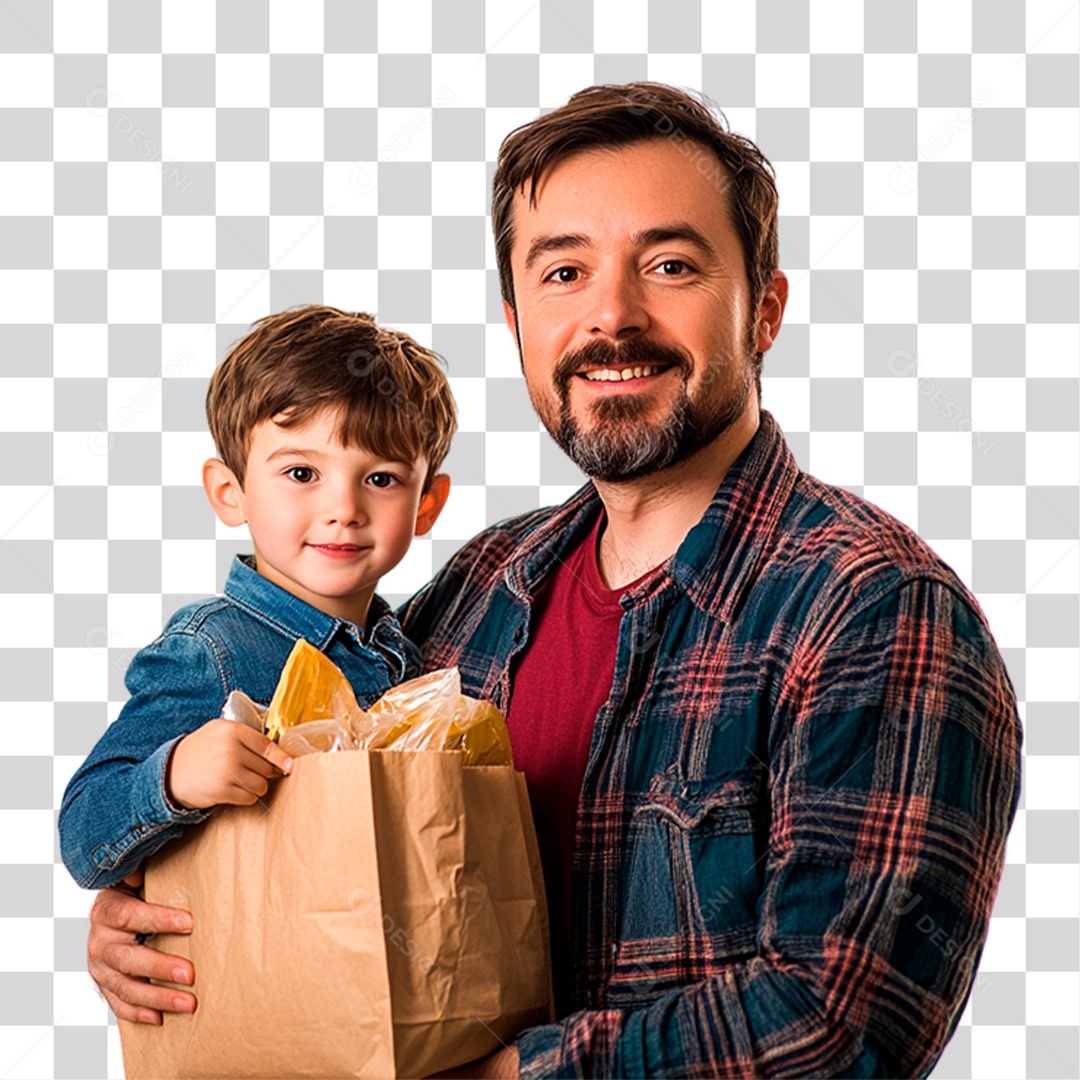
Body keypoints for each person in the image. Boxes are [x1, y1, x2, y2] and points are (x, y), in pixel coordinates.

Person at [83, 83, 1022, 1079]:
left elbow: (839, 1025)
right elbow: (320, 854)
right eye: (564, 272)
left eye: (669, 265)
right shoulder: (472, 599)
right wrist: (164, 919)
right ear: (518, 319)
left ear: (766, 311)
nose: (612, 317)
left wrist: (512, 1077)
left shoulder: (872, 608)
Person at [59, 306, 455, 890]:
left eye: (380, 479)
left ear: (427, 504)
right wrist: (173, 779)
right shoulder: (212, 650)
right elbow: (84, 835)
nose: (343, 508)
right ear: (229, 492)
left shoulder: (411, 653)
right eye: (301, 474)